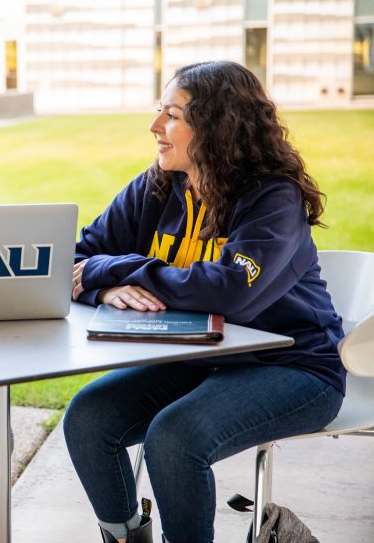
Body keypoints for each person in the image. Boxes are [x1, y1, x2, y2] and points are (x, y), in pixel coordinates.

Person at [65, 61, 345, 543]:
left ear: (217, 126)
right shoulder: (158, 185)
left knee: (175, 439)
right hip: (203, 358)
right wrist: (103, 286)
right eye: (160, 112)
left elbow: (231, 290)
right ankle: (127, 536)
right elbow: (77, 259)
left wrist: (116, 269)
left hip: (295, 365)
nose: (155, 127)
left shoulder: (272, 198)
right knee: (89, 419)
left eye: (172, 115)